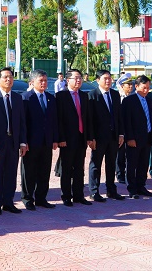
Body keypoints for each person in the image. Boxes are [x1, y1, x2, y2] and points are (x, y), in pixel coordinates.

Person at [0, 67, 26, 215]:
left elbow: (22, 121)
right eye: (5, 77)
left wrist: (22, 142)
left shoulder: (17, 98)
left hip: (13, 142)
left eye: (11, 77)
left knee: (11, 172)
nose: (9, 79)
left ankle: (8, 202)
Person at [20, 69, 58, 210]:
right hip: (31, 142)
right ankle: (27, 198)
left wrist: (55, 139)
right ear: (32, 82)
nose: (44, 83)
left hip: (46, 142)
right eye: (40, 81)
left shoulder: (50, 98)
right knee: (29, 171)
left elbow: (54, 120)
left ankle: (41, 198)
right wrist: (24, 141)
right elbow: (22, 122)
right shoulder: (25, 98)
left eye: (45, 81)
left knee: (44, 171)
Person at [87, 69, 125, 202]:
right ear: (98, 80)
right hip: (98, 138)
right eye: (105, 78)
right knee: (95, 165)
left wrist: (121, 134)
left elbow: (119, 116)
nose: (108, 81)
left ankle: (111, 190)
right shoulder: (92, 95)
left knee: (111, 164)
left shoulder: (115, 94)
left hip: (113, 136)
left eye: (110, 78)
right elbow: (90, 119)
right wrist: (91, 137)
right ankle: (94, 191)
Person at [56, 69, 92, 207]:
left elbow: (87, 118)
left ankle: (79, 195)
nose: (78, 80)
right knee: (66, 168)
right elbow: (59, 119)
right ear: (67, 80)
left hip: (81, 137)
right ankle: (66, 196)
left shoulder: (84, 96)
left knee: (79, 168)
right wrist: (61, 138)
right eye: (76, 78)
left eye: (80, 78)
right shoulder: (61, 96)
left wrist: (89, 137)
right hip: (67, 138)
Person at [122, 75, 152, 199]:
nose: (146, 90)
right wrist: (129, 138)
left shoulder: (150, 101)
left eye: (148, 87)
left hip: (147, 137)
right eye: (144, 87)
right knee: (132, 164)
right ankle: (132, 189)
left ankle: (141, 186)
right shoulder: (129, 101)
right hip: (134, 138)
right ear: (136, 86)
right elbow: (126, 121)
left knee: (143, 164)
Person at [115, 73, 134, 184]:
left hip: (130, 130)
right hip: (120, 130)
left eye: (131, 84)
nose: (130, 86)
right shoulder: (118, 97)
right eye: (128, 85)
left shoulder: (132, 98)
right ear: (122, 86)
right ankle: (120, 174)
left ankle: (128, 174)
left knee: (129, 154)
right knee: (120, 154)